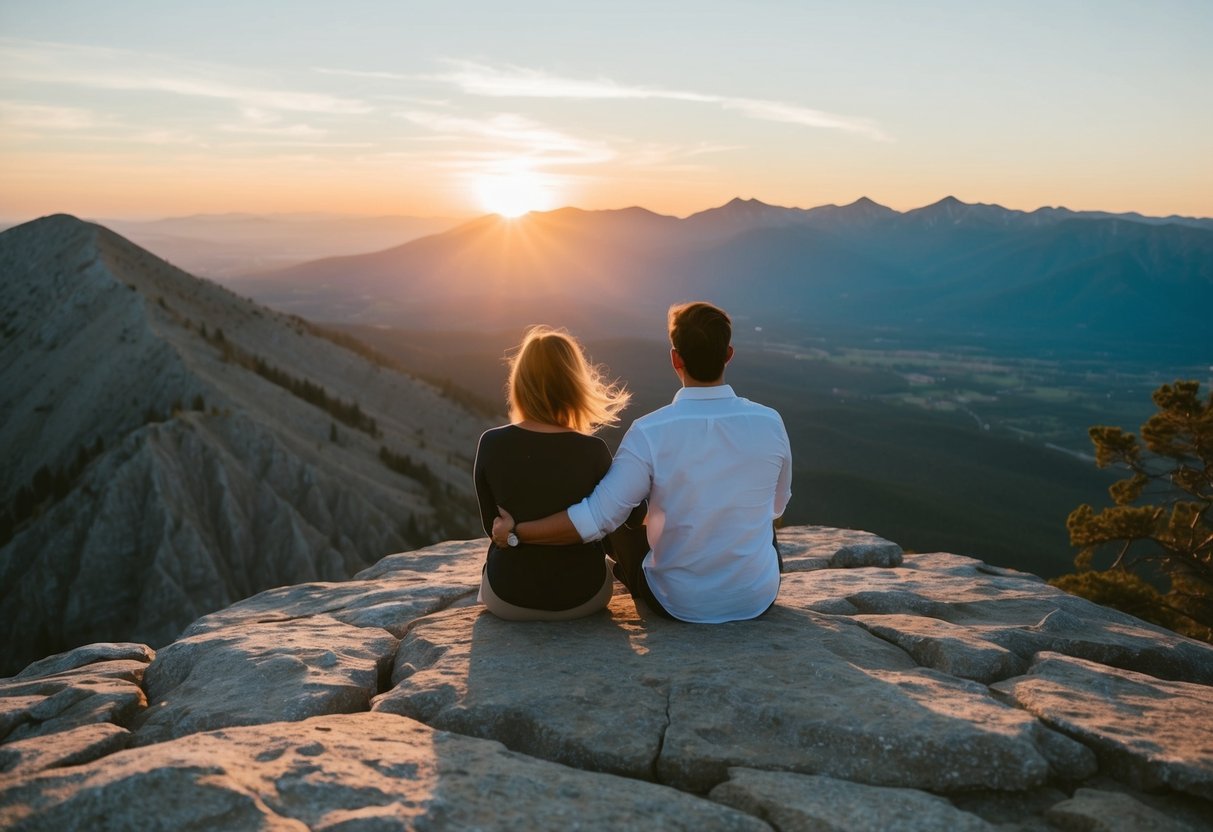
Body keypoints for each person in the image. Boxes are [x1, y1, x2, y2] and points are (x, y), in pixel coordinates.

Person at [493, 302, 792, 623]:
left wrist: (517, 533)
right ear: (728, 355)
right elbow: (776, 507)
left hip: (677, 603)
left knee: (621, 519)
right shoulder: (770, 422)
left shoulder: (649, 432)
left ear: (675, 358)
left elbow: (596, 518)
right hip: (756, 597)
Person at [473, 325, 630, 621]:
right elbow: (610, 538)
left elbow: (492, 529)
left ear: (519, 383)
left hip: (508, 597)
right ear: (574, 384)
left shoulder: (491, 443)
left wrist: (517, 533)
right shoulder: (593, 450)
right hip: (584, 596)